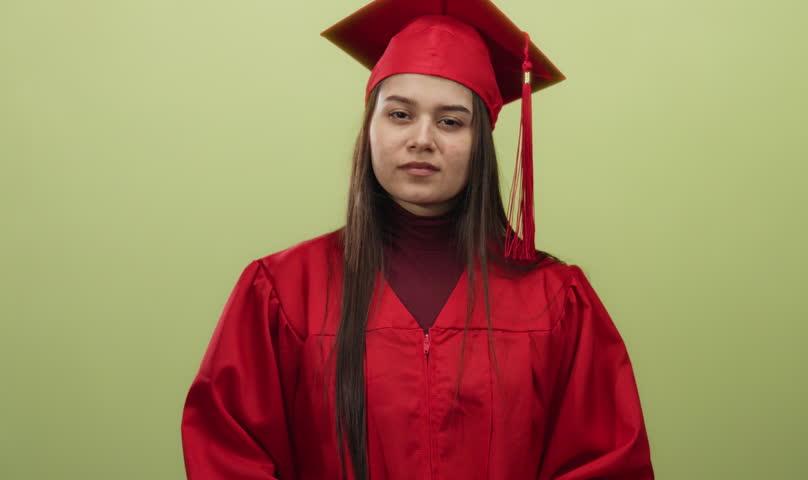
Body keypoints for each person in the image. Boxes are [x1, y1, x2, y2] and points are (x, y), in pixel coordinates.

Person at [180, 0, 655, 479]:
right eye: (400, 114)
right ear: (369, 127)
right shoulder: (282, 293)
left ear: (481, 142)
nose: (421, 138)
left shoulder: (555, 301)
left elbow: (607, 464)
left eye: (450, 121)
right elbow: (228, 457)